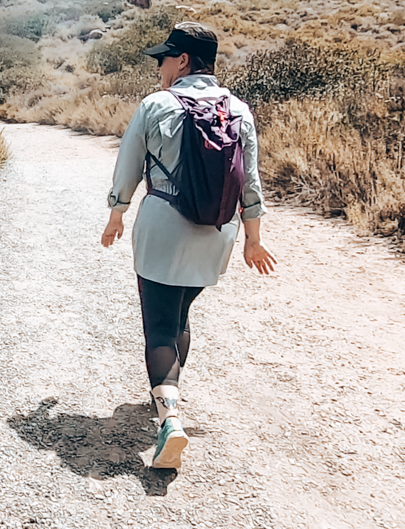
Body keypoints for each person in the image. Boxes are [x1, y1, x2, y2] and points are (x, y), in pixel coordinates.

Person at [100, 22, 277, 470]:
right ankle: (167, 392)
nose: (159, 67)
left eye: (164, 58)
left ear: (182, 61)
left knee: (158, 323)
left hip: (164, 223)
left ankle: (170, 418)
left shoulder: (156, 104)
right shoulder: (239, 108)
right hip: (217, 232)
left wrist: (116, 214)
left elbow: (129, 168)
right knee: (179, 312)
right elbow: (250, 181)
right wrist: (253, 238)